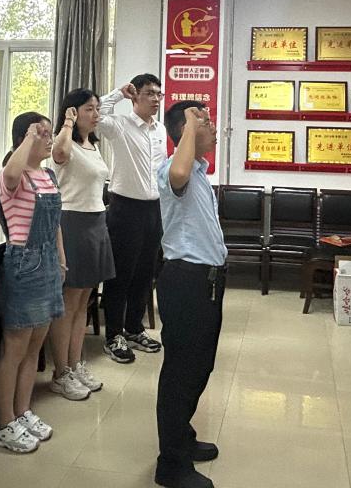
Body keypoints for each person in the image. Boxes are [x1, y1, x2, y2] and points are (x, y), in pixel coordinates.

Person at [154, 101, 227, 488]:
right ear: (184, 131)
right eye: (204, 121)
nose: (212, 128)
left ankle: (182, 436)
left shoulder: (199, 171)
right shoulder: (173, 170)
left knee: (200, 367)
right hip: (186, 282)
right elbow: (178, 171)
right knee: (181, 374)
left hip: (207, 282)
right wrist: (188, 124)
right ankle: (171, 465)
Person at [0, 112, 67, 451]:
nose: (49, 139)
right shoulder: (14, 175)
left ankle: (23, 411)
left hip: (48, 261)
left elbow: (56, 223)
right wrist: (29, 139)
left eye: (50, 133)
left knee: (35, 345)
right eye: (42, 133)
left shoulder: (47, 175)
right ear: (24, 137)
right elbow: (9, 173)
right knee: (15, 347)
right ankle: (4, 422)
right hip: (24, 263)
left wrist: (61, 259)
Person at [49, 88, 116, 399]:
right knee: (68, 302)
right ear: (74, 112)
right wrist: (66, 123)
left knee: (84, 301)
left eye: (97, 108)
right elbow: (59, 155)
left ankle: (75, 364)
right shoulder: (66, 143)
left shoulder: (93, 145)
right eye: (89, 108)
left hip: (95, 221)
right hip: (72, 222)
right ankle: (60, 372)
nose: (96, 114)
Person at [96, 74, 168, 362]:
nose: (156, 99)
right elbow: (97, 114)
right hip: (125, 209)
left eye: (159, 94)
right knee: (121, 274)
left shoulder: (160, 129)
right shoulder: (120, 125)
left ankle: (134, 328)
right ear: (135, 95)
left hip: (154, 209)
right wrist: (118, 93)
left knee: (145, 273)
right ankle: (113, 335)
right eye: (149, 93)